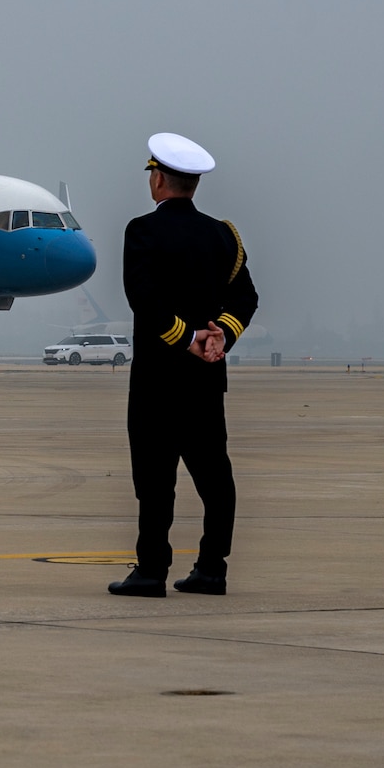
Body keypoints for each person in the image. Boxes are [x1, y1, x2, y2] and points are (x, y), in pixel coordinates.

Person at [108, 133, 258, 598]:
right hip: (205, 381)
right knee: (215, 477)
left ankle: (152, 570)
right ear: (192, 184)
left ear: (158, 180)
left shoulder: (142, 231)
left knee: (154, 480)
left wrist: (188, 338)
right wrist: (221, 336)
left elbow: (143, 301)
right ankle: (213, 568)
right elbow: (246, 297)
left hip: (157, 381)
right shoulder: (222, 236)